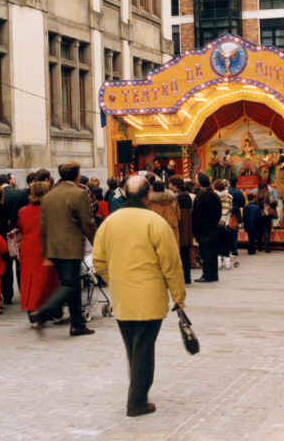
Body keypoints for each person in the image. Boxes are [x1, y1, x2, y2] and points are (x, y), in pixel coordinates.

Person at [92, 176, 186, 418]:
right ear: (148, 195)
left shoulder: (110, 223)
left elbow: (98, 260)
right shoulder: (155, 222)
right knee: (144, 347)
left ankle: (137, 391)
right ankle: (137, 400)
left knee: (133, 347)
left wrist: (115, 279)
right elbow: (171, 263)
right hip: (149, 294)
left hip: (122, 295)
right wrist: (178, 295)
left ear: (125, 194)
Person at [30, 161, 96, 336]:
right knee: (70, 285)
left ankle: (77, 323)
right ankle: (43, 312)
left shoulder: (50, 195)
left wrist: (46, 250)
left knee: (70, 284)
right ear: (77, 175)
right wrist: (96, 242)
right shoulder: (78, 194)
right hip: (70, 246)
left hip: (53, 246)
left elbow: (43, 225)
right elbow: (87, 223)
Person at [17, 182, 59, 319]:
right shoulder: (51, 210)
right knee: (47, 279)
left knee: (29, 279)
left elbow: (21, 227)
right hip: (45, 245)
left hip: (28, 247)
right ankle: (49, 309)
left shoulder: (22, 211)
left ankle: (31, 308)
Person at [0, 173, 27, 305]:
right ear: (9, 182)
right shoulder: (21, 194)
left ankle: (7, 294)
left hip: (3, 234)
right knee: (20, 266)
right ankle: (23, 293)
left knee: (6, 266)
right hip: (19, 233)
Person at [191, 173, 221, 282]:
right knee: (212, 252)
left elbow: (197, 214)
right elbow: (219, 211)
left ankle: (207, 274)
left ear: (200, 182)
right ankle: (214, 274)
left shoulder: (201, 196)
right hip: (213, 228)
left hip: (203, 230)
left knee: (206, 252)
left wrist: (196, 227)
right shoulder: (214, 195)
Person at [168, 176, 193, 284]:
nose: (169, 186)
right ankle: (187, 276)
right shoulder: (187, 196)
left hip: (179, 227)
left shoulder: (175, 197)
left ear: (175, 185)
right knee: (185, 253)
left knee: (178, 254)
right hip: (187, 228)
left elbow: (176, 214)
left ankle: (180, 277)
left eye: (170, 184)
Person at [213, 180, 233, 270]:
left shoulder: (213, 196)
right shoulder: (229, 196)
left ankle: (218, 264)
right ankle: (227, 264)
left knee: (216, 245)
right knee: (225, 244)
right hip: (226, 222)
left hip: (215, 223)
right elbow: (230, 209)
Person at [227, 177, 245, 257]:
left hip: (227, 214)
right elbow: (242, 203)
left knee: (227, 232)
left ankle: (227, 250)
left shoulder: (226, 191)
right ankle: (234, 250)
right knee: (234, 233)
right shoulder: (238, 192)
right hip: (235, 215)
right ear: (236, 183)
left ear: (229, 182)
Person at [255, 181, 275, 252]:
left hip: (259, 214)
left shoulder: (257, 194)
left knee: (259, 230)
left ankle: (259, 247)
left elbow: (256, 204)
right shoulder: (268, 193)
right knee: (267, 230)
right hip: (266, 214)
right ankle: (266, 247)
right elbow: (272, 202)